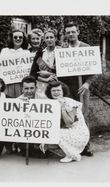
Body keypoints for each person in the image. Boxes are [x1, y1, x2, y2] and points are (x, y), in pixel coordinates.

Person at [59, 21, 97, 157]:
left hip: (82, 88)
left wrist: (87, 83)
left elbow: (94, 69)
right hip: (68, 89)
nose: (70, 34)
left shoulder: (86, 47)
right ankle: (71, 147)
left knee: (83, 116)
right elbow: (59, 71)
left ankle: (86, 146)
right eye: (68, 32)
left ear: (78, 32)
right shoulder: (63, 50)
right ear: (66, 34)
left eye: (73, 31)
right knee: (69, 117)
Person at [45, 81, 90, 163]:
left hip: (79, 133)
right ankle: (69, 152)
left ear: (63, 91)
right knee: (46, 139)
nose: (56, 93)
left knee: (54, 134)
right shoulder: (53, 103)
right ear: (50, 92)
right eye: (53, 91)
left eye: (58, 90)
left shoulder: (69, 102)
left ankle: (73, 155)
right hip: (69, 132)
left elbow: (69, 123)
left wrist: (62, 108)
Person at [16, 75, 47, 158]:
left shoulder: (44, 99)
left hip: (41, 130)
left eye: (31, 88)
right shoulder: (17, 101)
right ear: (22, 89)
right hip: (25, 131)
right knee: (27, 152)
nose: (29, 91)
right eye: (26, 88)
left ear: (36, 88)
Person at [0, 29, 29, 98]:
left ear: (23, 39)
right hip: (8, 84)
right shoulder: (4, 51)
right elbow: (1, 68)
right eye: (15, 37)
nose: (18, 39)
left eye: (20, 37)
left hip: (21, 84)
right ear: (11, 38)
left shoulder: (26, 53)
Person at [30, 28, 60, 98]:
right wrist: (46, 79)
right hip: (41, 87)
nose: (49, 40)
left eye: (51, 37)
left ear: (55, 39)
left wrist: (48, 74)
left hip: (55, 86)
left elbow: (63, 71)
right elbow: (33, 73)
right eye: (47, 38)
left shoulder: (60, 52)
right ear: (44, 39)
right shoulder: (40, 53)